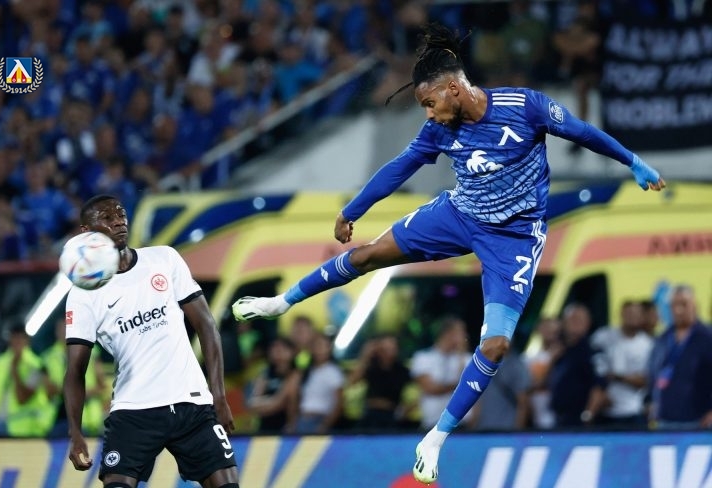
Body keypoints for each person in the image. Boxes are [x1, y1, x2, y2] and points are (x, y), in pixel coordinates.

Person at [230, 22, 665, 483]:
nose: (430, 114)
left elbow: (582, 132)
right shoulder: (438, 130)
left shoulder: (526, 106)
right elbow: (400, 167)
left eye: (430, 102)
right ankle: (282, 302)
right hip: (459, 215)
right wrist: (352, 210)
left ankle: (435, 437)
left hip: (514, 238)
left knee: (496, 345)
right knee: (365, 256)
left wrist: (632, 162)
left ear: (453, 89)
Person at [63, 195, 239, 488]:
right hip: (134, 410)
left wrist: (218, 395)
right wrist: (75, 433)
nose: (119, 221)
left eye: (120, 213)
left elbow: (206, 326)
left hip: (192, 404)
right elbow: (75, 370)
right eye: (107, 218)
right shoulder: (83, 294)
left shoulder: (164, 259)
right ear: (86, 232)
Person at [647, 284, 712, 429]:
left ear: (695, 305)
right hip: (665, 418)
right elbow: (653, 373)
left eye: (684, 304)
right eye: (674, 305)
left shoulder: (707, 337)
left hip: (699, 419)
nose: (678, 310)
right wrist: (652, 401)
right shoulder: (662, 339)